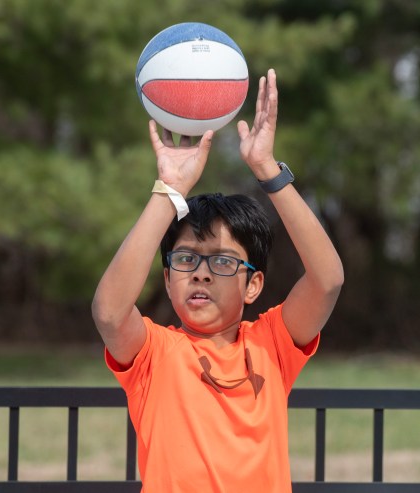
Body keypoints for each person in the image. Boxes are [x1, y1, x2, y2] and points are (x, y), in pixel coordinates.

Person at [91, 69, 344, 492]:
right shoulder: (154, 353)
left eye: (224, 262)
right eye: (187, 259)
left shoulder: (271, 345)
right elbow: (110, 312)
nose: (202, 272)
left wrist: (268, 171)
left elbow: (328, 281)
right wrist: (168, 190)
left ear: (253, 286)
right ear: (168, 278)